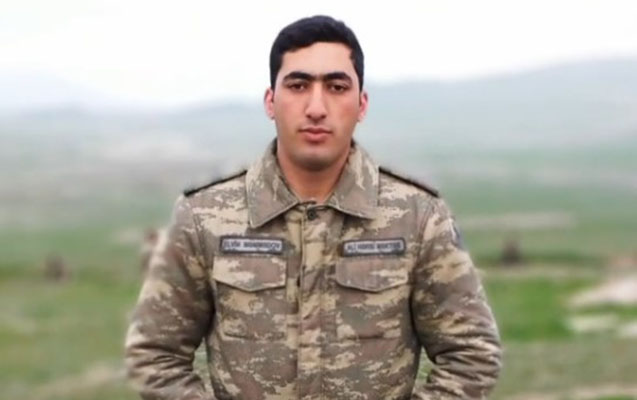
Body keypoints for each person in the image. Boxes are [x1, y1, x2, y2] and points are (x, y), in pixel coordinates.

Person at [125, 15, 502, 400]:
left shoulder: (417, 217)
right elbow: (154, 354)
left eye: (337, 87)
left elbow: (472, 354)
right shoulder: (205, 216)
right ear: (271, 102)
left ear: (362, 104)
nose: (317, 107)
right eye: (298, 85)